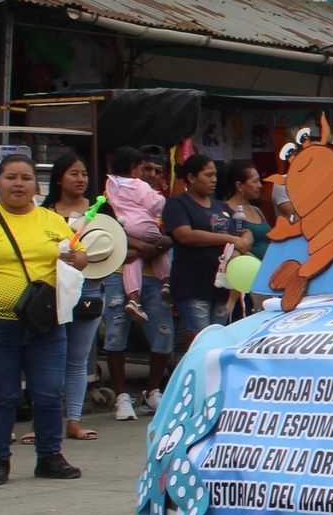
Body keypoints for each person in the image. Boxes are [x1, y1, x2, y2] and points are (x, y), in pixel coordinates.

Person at [0, 155, 89, 484]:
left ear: (36, 186)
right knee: (2, 396)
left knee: (48, 394)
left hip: (46, 324)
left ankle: (50, 456)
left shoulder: (52, 220)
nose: (18, 184)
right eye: (11, 177)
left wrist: (77, 257)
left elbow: (81, 256)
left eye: (25, 178)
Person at [101, 147, 173, 422]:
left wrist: (148, 248)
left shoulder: (160, 201)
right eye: (146, 169)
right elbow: (106, 229)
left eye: (157, 171)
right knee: (117, 330)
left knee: (163, 332)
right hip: (119, 271)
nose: (151, 175)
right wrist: (142, 246)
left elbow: (173, 234)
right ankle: (121, 396)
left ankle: (152, 392)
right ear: (134, 169)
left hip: (155, 274)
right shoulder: (110, 195)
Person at [37, 150, 100, 443]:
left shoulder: (100, 210)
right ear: (59, 178)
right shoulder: (43, 212)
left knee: (77, 359)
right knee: (46, 357)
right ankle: (43, 421)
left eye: (84, 173)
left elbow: (117, 249)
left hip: (89, 289)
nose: (80, 179)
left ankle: (73, 420)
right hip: (50, 290)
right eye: (73, 173)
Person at [164, 155, 250, 353]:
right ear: (191, 178)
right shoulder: (177, 204)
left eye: (215, 175)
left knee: (218, 343)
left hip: (222, 286)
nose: (214, 180)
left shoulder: (221, 206)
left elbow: (244, 230)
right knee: (199, 344)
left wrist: (244, 240)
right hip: (193, 285)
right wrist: (230, 239)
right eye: (208, 175)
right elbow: (185, 235)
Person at [217, 162, 271, 318]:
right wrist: (260, 266)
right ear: (239, 186)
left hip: (267, 277)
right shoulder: (226, 211)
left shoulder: (257, 210)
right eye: (255, 181)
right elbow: (234, 247)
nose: (260, 186)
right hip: (247, 280)